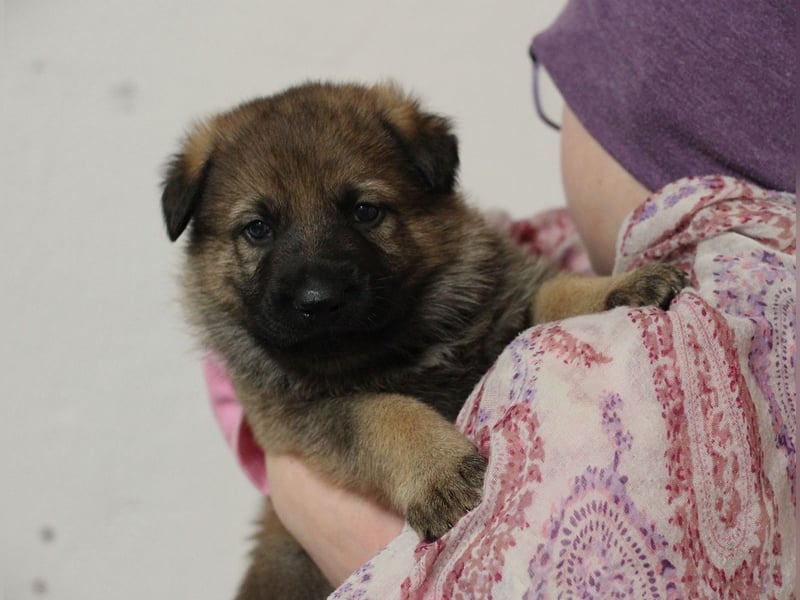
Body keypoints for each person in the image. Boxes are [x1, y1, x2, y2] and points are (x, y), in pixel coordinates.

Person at [205, 1, 796, 596]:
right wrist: (408, 451)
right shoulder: (261, 359)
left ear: (437, 192)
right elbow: (308, 422)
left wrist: (599, 297)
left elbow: (535, 301)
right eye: (257, 230)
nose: (314, 286)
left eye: (364, 212)